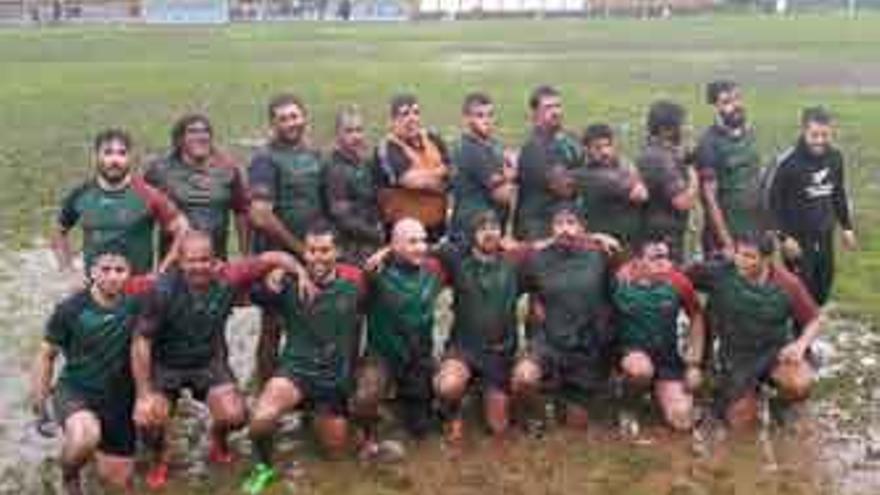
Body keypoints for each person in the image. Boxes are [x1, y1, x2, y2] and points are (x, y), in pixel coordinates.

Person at [130, 231, 310, 490]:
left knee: (235, 416)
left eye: (205, 260)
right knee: (149, 419)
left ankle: (218, 438)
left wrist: (299, 272)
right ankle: (160, 458)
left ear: (216, 260)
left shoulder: (228, 277)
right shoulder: (162, 290)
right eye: (192, 261)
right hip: (167, 364)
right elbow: (141, 341)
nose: (200, 267)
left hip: (208, 360)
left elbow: (275, 256)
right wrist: (143, 393)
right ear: (180, 262)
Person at [242, 222, 364, 494]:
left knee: (336, 455)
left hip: (333, 379)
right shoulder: (287, 282)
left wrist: (386, 252)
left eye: (325, 250)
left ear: (338, 252)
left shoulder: (355, 282)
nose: (318, 257)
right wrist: (270, 277)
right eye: (311, 250)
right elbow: (248, 288)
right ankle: (264, 467)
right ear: (303, 252)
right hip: (295, 372)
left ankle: (325, 419)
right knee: (260, 422)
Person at [30, 249, 147, 494]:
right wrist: (40, 406)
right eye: (105, 270)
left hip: (119, 399)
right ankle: (69, 474)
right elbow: (45, 356)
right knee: (85, 437)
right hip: (76, 392)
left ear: (129, 274)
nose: (113, 277)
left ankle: (98, 455)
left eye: (120, 270)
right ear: (92, 272)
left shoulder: (138, 306)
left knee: (120, 484)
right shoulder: (70, 309)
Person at [687, 232, 823, 430]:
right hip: (736, 356)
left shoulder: (787, 283)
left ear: (767, 259)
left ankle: (781, 405)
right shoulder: (719, 272)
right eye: (738, 253)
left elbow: (816, 318)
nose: (740, 261)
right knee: (740, 422)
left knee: (799, 383)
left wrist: (800, 345)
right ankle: (744, 393)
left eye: (749, 256)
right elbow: (679, 278)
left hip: (774, 351)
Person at [510, 205, 614, 431]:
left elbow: (627, 282)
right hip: (547, 342)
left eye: (571, 223)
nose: (564, 229)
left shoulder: (601, 255)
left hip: (586, 347)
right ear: (551, 229)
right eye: (559, 223)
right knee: (524, 377)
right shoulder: (535, 259)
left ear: (582, 228)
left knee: (576, 426)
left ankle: (566, 397)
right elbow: (508, 285)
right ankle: (536, 413)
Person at [248, 93, 325, 384]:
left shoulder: (314, 155)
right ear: (272, 124)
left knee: (312, 318)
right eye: (283, 119)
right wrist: (299, 250)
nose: (291, 123)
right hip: (276, 255)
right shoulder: (264, 160)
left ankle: (309, 384)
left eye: (295, 116)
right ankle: (264, 385)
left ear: (304, 117)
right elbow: (260, 215)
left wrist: (319, 251)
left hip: (315, 252)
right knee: (273, 324)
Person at [352, 218, 446, 448]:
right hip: (383, 356)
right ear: (394, 245)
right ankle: (367, 436)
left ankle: (407, 403)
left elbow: (457, 246)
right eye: (412, 242)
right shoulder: (375, 272)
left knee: (422, 431)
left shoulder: (434, 269)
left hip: (419, 359)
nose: (420, 247)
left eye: (423, 241)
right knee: (364, 398)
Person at [432, 211, 524, 444]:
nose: (489, 233)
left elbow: (551, 242)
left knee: (499, 429)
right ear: (472, 234)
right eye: (482, 228)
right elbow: (425, 248)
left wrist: (595, 238)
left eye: (494, 227)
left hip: (499, 353)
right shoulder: (457, 261)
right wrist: (388, 249)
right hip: (464, 348)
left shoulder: (515, 262)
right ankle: (449, 411)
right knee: (449, 385)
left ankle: (483, 393)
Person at [52, 129, 187, 276]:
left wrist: (162, 271)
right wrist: (68, 269)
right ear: (96, 156)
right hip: (95, 289)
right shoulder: (81, 194)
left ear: (130, 158)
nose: (114, 160)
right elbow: (59, 230)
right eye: (108, 153)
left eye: (121, 153)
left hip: (137, 290)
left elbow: (183, 229)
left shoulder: (148, 194)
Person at [611, 238, 705, 432]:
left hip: (666, 358)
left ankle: (658, 394)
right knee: (640, 370)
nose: (664, 263)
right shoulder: (618, 281)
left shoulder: (678, 281)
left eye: (666, 257)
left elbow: (696, 317)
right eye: (655, 258)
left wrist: (694, 363)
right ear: (636, 261)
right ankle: (628, 405)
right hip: (630, 354)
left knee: (683, 421)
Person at [768, 106, 857, 305]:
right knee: (800, 293)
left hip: (824, 237)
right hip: (797, 242)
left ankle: (811, 330)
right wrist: (783, 238)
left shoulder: (835, 157)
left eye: (825, 135)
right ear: (803, 131)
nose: (819, 141)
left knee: (823, 288)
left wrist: (847, 227)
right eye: (814, 135)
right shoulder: (787, 162)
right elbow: (771, 202)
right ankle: (796, 333)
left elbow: (838, 193)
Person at [145, 113, 250, 260]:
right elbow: (143, 211)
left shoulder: (228, 169)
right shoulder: (159, 170)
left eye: (205, 131)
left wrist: (245, 254)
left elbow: (241, 212)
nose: (201, 136)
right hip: (175, 262)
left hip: (215, 261)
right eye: (193, 131)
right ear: (179, 139)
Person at [696, 80, 763, 257]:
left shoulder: (750, 134)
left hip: (754, 230)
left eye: (737, 98)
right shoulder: (708, 144)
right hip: (727, 238)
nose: (735, 105)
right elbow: (710, 200)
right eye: (727, 102)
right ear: (715, 107)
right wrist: (727, 244)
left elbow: (757, 179)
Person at [374, 93, 451, 242]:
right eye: (405, 114)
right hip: (403, 234)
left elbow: (453, 173)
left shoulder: (433, 138)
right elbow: (413, 181)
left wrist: (430, 177)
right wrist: (440, 173)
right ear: (393, 120)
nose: (412, 119)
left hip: (437, 228)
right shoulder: (387, 148)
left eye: (416, 112)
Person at [514, 85, 584, 241]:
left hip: (562, 226)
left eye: (558, 106)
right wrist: (590, 176)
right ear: (535, 114)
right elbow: (565, 188)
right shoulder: (534, 147)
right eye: (548, 107)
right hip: (538, 229)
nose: (555, 112)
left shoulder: (569, 140)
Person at [636, 100, 700, 263]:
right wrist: (694, 173)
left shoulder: (654, 152)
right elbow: (684, 202)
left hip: (660, 236)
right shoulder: (660, 159)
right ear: (666, 130)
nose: (687, 129)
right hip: (663, 243)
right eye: (683, 125)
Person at [450, 92, 516, 245]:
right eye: (480, 115)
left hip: (486, 229)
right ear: (466, 119)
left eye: (490, 115)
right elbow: (503, 195)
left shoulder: (491, 144)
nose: (487, 120)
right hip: (471, 233)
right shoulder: (471, 149)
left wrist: (507, 174)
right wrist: (512, 175)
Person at [321, 105, 385, 264]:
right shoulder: (334, 169)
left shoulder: (365, 163)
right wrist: (378, 235)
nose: (356, 136)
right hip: (349, 250)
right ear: (338, 135)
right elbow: (342, 219)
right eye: (349, 131)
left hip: (371, 243)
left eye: (359, 130)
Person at [577, 123, 648, 247]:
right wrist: (630, 172)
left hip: (630, 243)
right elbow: (641, 195)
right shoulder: (589, 175)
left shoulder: (620, 167)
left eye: (608, 146)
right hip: (605, 247)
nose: (605, 152)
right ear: (587, 149)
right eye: (598, 148)